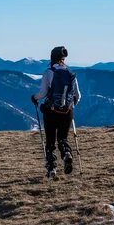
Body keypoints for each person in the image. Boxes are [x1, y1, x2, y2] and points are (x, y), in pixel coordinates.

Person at [31, 46, 81, 178]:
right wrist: (71, 104)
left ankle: (52, 169)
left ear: (52, 57)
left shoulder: (49, 72)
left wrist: (34, 98)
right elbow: (78, 95)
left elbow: (43, 93)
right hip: (67, 112)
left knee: (50, 141)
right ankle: (66, 154)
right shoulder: (71, 73)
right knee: (63, 138)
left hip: (51, 111)